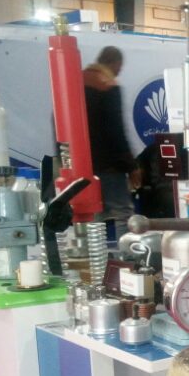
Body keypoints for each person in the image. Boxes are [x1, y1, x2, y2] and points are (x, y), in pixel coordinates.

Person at [83, 46, 140, 238]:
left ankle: (97, 255)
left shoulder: (77, 81)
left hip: (81, 165)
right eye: (119, 67)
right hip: (109, 165)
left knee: (94, 214)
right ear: (115, 63)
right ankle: (128, 253)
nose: (119, 72)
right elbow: (116, 129)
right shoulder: (108, 85)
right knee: (123, 212)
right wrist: (131, 166)